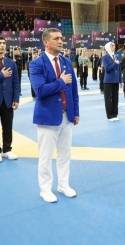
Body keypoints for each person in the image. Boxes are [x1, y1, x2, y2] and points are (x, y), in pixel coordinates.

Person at [29, 28, 80, 204]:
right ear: (46, 42)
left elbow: (73, 90)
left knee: (65, 154)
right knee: (45, 156)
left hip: (67, 116)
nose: (61, 41)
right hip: (48, 118)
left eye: (61, 38)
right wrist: (60, 82)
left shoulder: (66, 61)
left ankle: (63, 185)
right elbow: (40, 91)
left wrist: (76, 113)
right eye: (56, 38)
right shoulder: (36, 64)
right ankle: (45, 189)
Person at [102, 42, 121, 121]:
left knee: (115, 98)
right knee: (108, 98)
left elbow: (119, 69)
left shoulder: (115, 56)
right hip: (108, 81)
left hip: (116, 80)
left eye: (114, 45)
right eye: (112, 45)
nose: (114, 46)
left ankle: (115, 114)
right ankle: (110, 115)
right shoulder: (105, 57)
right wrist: (115, 63)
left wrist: (120, 80)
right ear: (108, 47)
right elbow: (107, 69)